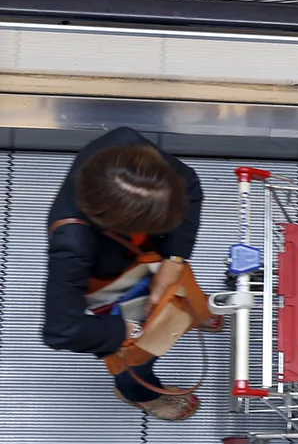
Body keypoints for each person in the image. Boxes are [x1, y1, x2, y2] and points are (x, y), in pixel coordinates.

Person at [43, 127, 208, 422]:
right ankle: (140, 393)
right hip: (111, 280)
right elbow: (62, 329)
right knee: (137, 355)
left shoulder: (129, 150)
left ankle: (193, 312)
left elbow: (190, 185)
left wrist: (173, 258)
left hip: (154, 256)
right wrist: (129, 332)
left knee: (183, 291)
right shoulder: (71, 242)